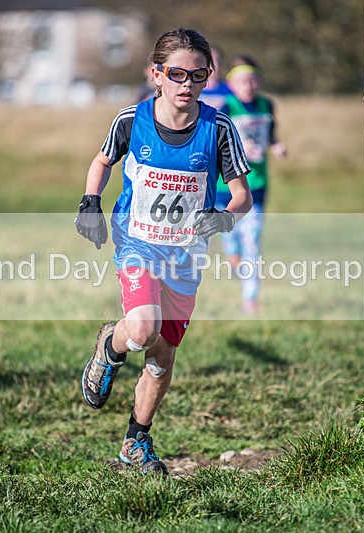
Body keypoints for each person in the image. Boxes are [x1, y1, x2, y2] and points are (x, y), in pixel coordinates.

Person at [75, 28, 252, 475]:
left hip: (186, 254)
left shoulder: (219, 129)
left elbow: (242, 196)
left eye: (198, 75)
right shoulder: (131, 120)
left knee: (162, 356)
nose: (187, 84)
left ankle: (136, 440)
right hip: (137, 240)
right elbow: (102, 161)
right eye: (176, 74)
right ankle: (110, 346)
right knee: (142, 329)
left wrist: (225, 218)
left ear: (209, 77)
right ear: (157, 75)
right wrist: (90, 203)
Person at [215, 55, 287, 314]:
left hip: (256, 183)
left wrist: (276, 146)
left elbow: (271, 134)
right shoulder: (227, 107)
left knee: (253, 239)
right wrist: (239, 148)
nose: (249, 85)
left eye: (253, 79)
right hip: (226, 186)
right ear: (231, 84)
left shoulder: (267, 105)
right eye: (243, 80)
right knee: (229, 234)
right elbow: (217, 141)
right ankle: (231, 253)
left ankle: (250, 299)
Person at [198, 46, 232, 110]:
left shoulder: (230, 90)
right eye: (210, 61)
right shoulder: (193, 89)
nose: (213, 65)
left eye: (217, 61)